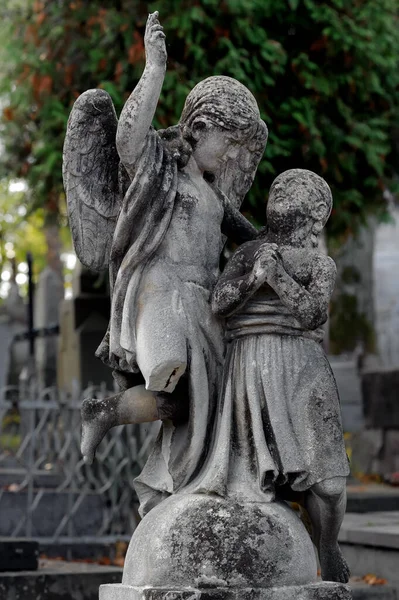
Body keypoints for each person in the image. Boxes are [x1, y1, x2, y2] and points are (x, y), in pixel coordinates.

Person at [79, 12, 268, 517]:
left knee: (190, 407)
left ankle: (110, 415)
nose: (232, 158)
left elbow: (250, 238)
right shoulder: (158, 165)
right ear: (200, 127)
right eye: (227, 143)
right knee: (169, 370)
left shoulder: (213, 193)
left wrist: (280, 246)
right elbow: (126, 140)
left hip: (206, 307)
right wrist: (155, 68)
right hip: (159, 293)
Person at [190, 169, 350, 583]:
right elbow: (219, 303)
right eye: (279, 193)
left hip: (303, 371)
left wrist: (275, 277)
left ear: (317, 215)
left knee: (330, 485)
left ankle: (328, 543)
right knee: (263, 481)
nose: (282, 200)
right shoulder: (248, 254)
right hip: (252, 366)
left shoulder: (320, 264)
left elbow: (314, 313)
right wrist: (253, 278)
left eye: (294, 197)